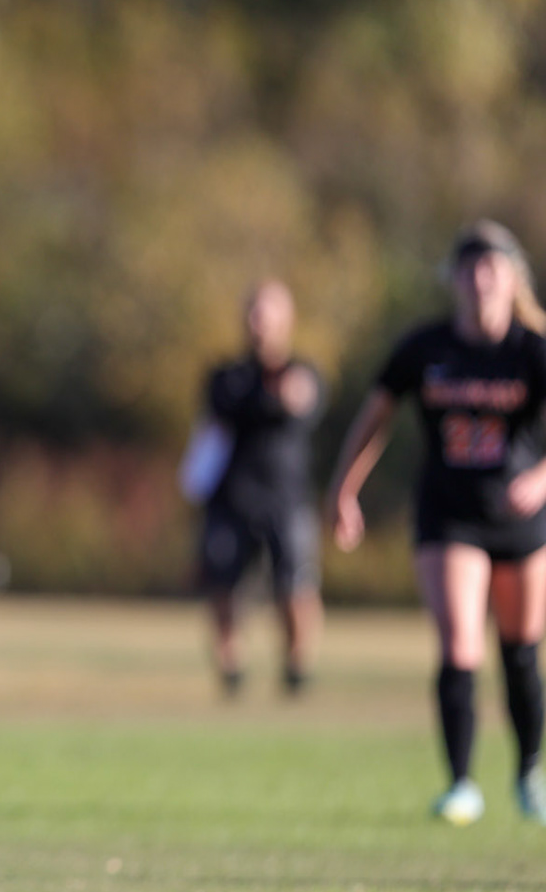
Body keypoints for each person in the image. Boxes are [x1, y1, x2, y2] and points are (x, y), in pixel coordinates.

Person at [327, 221, 546, 827]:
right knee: (459, 644)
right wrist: (344, 488)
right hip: (448, 516)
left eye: (492, 268)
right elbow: (374, 417)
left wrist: (541, 478)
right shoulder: (425, 348)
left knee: (521, 651)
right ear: (453, 279)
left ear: (511, 278)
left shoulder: (532, 350)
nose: (480, 279)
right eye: (469, 268)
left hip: (520, 521)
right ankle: (462, 785)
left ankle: (529, 773)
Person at [193, 281, 324, 696]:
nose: (259, 324)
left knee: (294, 586)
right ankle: (231, 668)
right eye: (253, 314)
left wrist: (282, 397)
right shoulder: (226, 376)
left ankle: (297, 666)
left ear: (287, 320)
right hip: (232, 497)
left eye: (267, 315)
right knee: (224, 586)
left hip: (287, 498)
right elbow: (221, 413)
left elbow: (302, 403)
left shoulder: (305, 372)